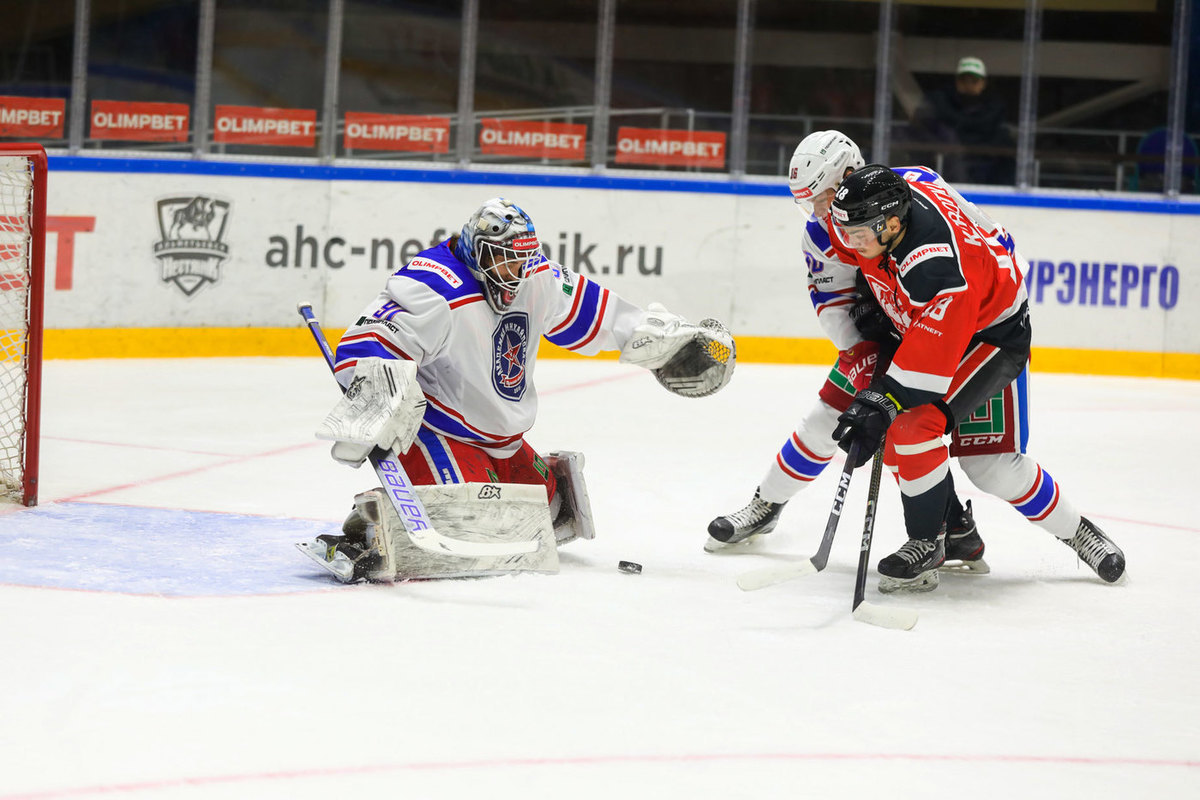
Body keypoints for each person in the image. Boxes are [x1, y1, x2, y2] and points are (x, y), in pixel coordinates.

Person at [298, 197, 736, 583]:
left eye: (522, 261)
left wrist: (663, 342)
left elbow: (594, 314)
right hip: (438, 430)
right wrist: (382, 395)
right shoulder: (434, 286)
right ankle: (361, 535)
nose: (516, 272)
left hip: (502, 439)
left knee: (547, 509)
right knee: (469, 521)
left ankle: (483, 484)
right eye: (505, 261)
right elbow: (364, 343)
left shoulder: (533, 275)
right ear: (478, 252)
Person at [826, 164, 1126, 591]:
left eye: (859, 236)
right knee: (899, 441)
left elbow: (926, 367)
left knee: (982, 462)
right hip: (956, 307)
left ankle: (1075, 531)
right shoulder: (895, 194)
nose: (850, 242)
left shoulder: (937, 270)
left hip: (991, 333)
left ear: (893, 224)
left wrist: (883, 399)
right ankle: (953, 533)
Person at [706, 131, 987, 576]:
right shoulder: (821, 232)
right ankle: (767, 504)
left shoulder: (910, 192)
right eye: (807, 203)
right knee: (827, 420)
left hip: (938, 331)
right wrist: (862, 350)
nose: (817, 213)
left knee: (904, 438)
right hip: (879, 338)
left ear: (850, 176)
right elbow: (832, 302)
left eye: (823, 198)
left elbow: (980, 238)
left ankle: (950, 529)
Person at [914, 56, 1014, 185]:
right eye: (964, 80)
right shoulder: (939, 101)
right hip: (947, 172)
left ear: (983, 83)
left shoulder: (995, 108)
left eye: (974, 81)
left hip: (986, 173)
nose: (969, 85)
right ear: (957, 81)